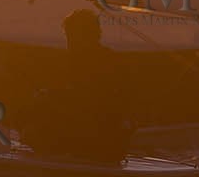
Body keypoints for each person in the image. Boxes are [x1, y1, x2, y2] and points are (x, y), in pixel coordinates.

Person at [19, 8, 131, 164]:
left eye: (71, 36)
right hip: (99, 136)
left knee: (34, 132)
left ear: (88, 35)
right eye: (68, 36)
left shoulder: (101, 62)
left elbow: (90, 99)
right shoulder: (107, 59)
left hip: (96, 136)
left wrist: (49, 97)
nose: (68, 41)